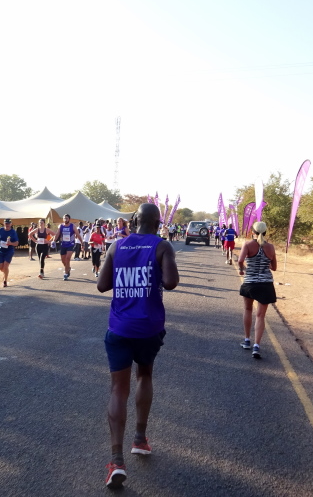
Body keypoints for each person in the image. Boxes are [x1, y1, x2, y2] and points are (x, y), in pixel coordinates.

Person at [97, 203, 180, 489]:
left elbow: (101, 285)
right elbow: (171, 282)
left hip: (119, 328)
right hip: (149, 328)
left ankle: (116, 461)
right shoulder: (162, 246)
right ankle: (140, 440)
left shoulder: (116, 246)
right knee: (144, 375)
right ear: (157, 224)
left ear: (134, 221)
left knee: (118, 389)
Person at [237, 221, 277, 359]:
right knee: (260, 316)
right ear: (265, 232)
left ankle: (247, 340)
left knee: (248, 309)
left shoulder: (248, 245)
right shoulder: (271, 247)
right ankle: (256, 346)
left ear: (252, 232)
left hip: (250, 283)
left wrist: (242, 269)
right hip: (266, 284)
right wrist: (264, 264)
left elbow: (240, 260)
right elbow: (274, 267)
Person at [56, 214, 78, 281]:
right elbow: (57, 234)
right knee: (63, 260)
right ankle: (68, 268)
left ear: (69, 219)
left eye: (67, 218)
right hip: (63, 245)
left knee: (67, 258)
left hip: (70, 244)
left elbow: (78, 234)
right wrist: (53, 241)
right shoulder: (60, 226)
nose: (65, 219)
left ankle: (66, 273)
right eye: (64, 218)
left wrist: (82, 243)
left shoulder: (73, 226)